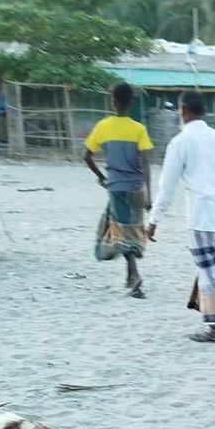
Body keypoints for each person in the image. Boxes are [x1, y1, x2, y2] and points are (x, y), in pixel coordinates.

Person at [149, 90, 215, 344]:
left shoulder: (181, 142)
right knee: (211, 264)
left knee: (207, 267)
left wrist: (154, 219)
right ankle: (213, 312)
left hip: (202, 213)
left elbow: (166, 187)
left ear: (182, 111)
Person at [83, 82, 154, 299]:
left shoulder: (103, 127)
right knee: (132, 229)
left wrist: (102, 177)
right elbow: (146, 164)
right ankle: (130, 277)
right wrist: (149, 192)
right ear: (131, 102)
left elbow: (87, 156)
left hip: (115, 186)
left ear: (112, 102)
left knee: (122, 231)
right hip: (136, 187)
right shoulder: (138, 129)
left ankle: (135, 277)